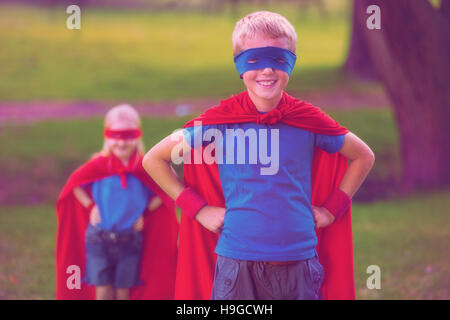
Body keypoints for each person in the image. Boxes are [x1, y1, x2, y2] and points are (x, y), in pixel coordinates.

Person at [143, 11, 375, 300]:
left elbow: (363, 155)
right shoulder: (220, 121)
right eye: (255, 60)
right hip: (237, 263)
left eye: (278, 60)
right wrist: (198, 209)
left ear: (291, 62)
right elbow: (153, 159)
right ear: (239, 65)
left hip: (298, 261)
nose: (267, 70)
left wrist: (332, 209)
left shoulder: (307, 119)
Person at [56, 104, 179, 300]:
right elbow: (75, 185)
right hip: (98, 240)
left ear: (137, 136)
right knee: (102, 289)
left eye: (128, 136)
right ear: (107, 136)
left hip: (130, 240)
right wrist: (90, 206)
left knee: (124, 291)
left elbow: (164, 191)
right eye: (116, 136)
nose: (121, 143)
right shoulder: (98, 165)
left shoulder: (145, 167)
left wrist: (145, 212)